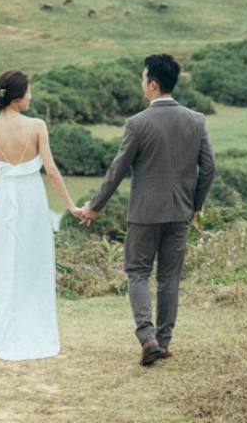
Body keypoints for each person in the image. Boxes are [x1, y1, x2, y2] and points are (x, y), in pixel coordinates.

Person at [77, 53, 216, 366]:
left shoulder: (137, 123)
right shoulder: (196, 120)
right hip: (180, 212)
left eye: (143, 79)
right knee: (170, 277)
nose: (142, 83)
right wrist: (195, 205)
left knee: (137, 272)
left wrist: (94, 206)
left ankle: (147, 337)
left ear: (153, 84)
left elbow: (117, 169)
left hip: (143, 213)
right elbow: (209, 169)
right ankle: (162, 342)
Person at [0, 69, 81, 361]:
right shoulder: (37, 125)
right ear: (19, 96)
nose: (31, 96)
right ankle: (38, 331)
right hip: (32, 197)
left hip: (3, 198)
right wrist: (70, 205)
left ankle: (9, 333)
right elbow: (51, 169)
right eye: (29, 92)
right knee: (35, 263)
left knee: (6, 264)